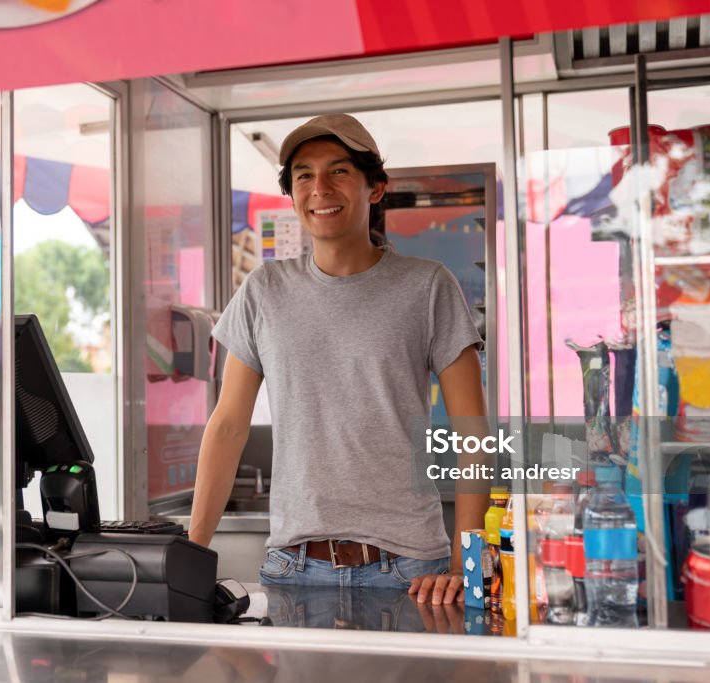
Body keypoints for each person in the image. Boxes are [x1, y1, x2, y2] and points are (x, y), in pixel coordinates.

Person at [188, 114, 490, 605]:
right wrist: (191, 557)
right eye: (304, 175)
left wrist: (468, 569)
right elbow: (227, 427)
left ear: (375, 188)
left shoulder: (428, 285)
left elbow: (473, 431)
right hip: (292, 569)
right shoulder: (263, 291)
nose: (320, 188)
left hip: (411, 572)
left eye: (339, 171)